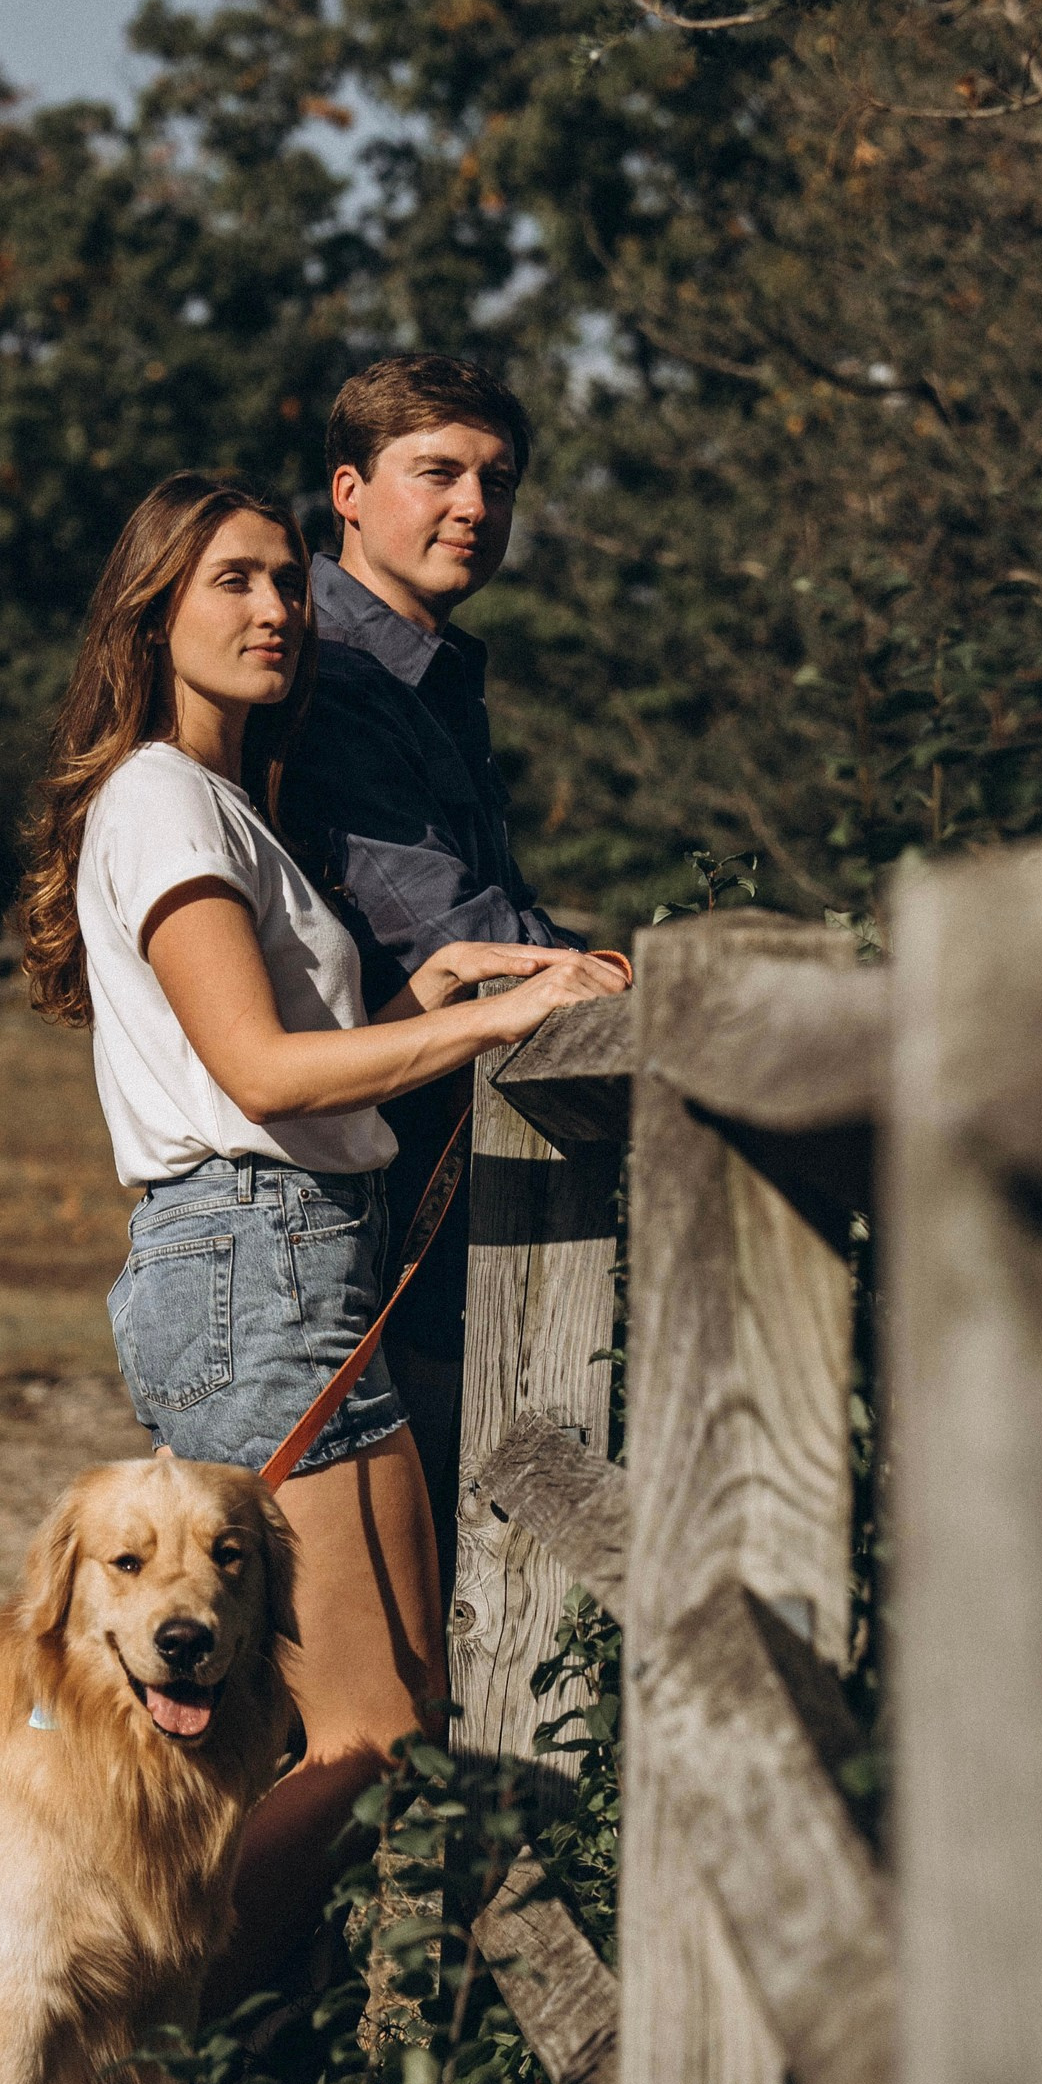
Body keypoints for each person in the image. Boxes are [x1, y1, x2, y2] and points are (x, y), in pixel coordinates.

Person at [19, 473, 629, 1990]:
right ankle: (113, 2029)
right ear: (152, 612)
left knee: (296, 1728)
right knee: (378, 1732)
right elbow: (266, 1076)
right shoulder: (162, 797)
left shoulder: (220, 804)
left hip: (268, 1257)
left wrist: (426, 997)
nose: (278, 609)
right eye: (233, 581)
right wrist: (518, 1021)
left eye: (288, 581)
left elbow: (281, 1045)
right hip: (257, 1260)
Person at [283, 357, 630, 1556]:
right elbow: (446, 928)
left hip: (427, 1180)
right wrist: (612, 982)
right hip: (364, 1207)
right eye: (437, 472)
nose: (474, 507)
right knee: (390, 1609)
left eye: (499, 479)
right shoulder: (336, 673)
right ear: (350, 489)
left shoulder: (428, 673)